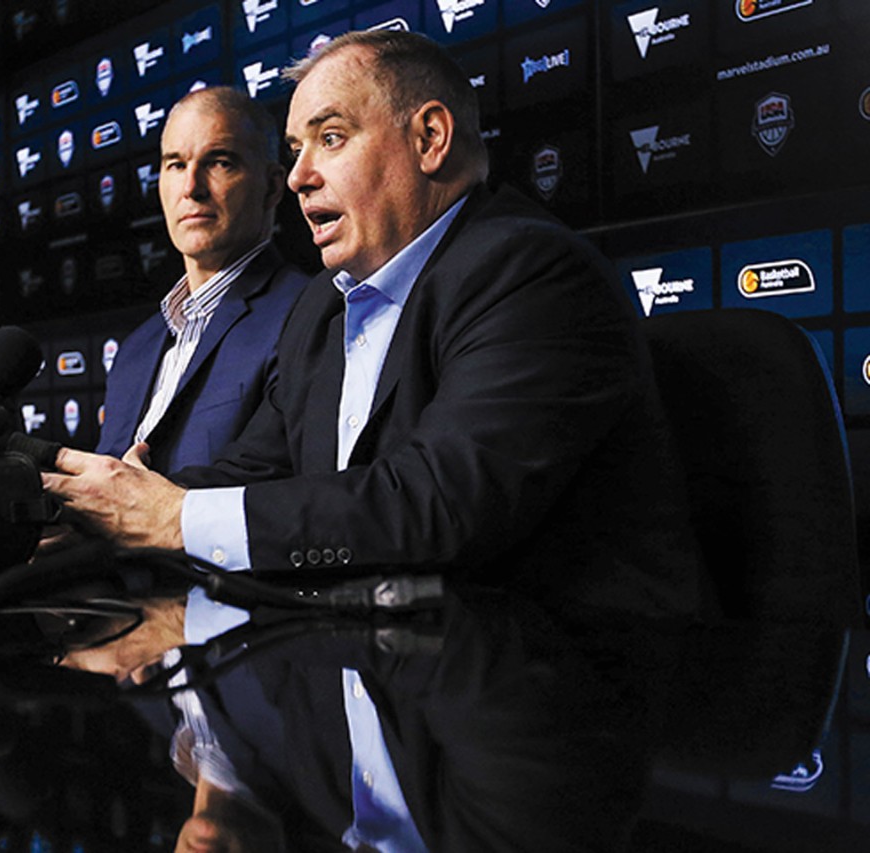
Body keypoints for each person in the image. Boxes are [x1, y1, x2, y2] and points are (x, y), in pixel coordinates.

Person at [45, 30, 707, 848]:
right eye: (292, 150)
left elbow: (442, 503)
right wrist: (94, 516)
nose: (297, 177)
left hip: (549, 713)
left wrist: (172, 519)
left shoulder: (531, 273)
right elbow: (247, 476)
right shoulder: (326, 311)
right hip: (381, 677)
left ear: (429, 139)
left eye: (329, 138)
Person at [95, 86, 308, 475]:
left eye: (220, 162)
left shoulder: (307, 312)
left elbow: (284, 484)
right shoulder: (134, 351)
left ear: (273, 186)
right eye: (175, 165)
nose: (191, 188)